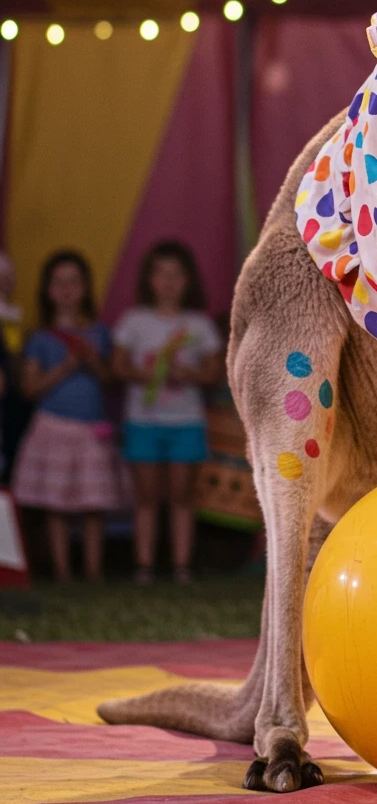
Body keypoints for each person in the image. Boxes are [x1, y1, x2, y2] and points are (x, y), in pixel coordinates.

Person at [112, 240, 222, 584]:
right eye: (161, 273)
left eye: (176, 274)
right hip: (142, 421)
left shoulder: (199, 324)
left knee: (182, 497)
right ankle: (143, 566)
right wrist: (144, 372)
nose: (169, 281)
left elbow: (213, 373)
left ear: (188, 280)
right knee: (145, 498)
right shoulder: (134, 321)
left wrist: (187, 374)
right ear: (148, 279)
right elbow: (117, 366)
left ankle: (181, 567)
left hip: (186, 422)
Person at [11, 251, 123, 581]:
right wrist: (65, 367)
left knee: (93, 503)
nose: (67, 289)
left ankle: (94, 571)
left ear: (86, 288)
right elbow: (29, 388)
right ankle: (62, 573)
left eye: (74, 282)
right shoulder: (40, 338)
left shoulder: (100, 334)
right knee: (55, 505)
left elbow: (110, 379)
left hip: (92, 429)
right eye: (59, 282)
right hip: (52, 427)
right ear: (47, 289)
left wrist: (92, 361)